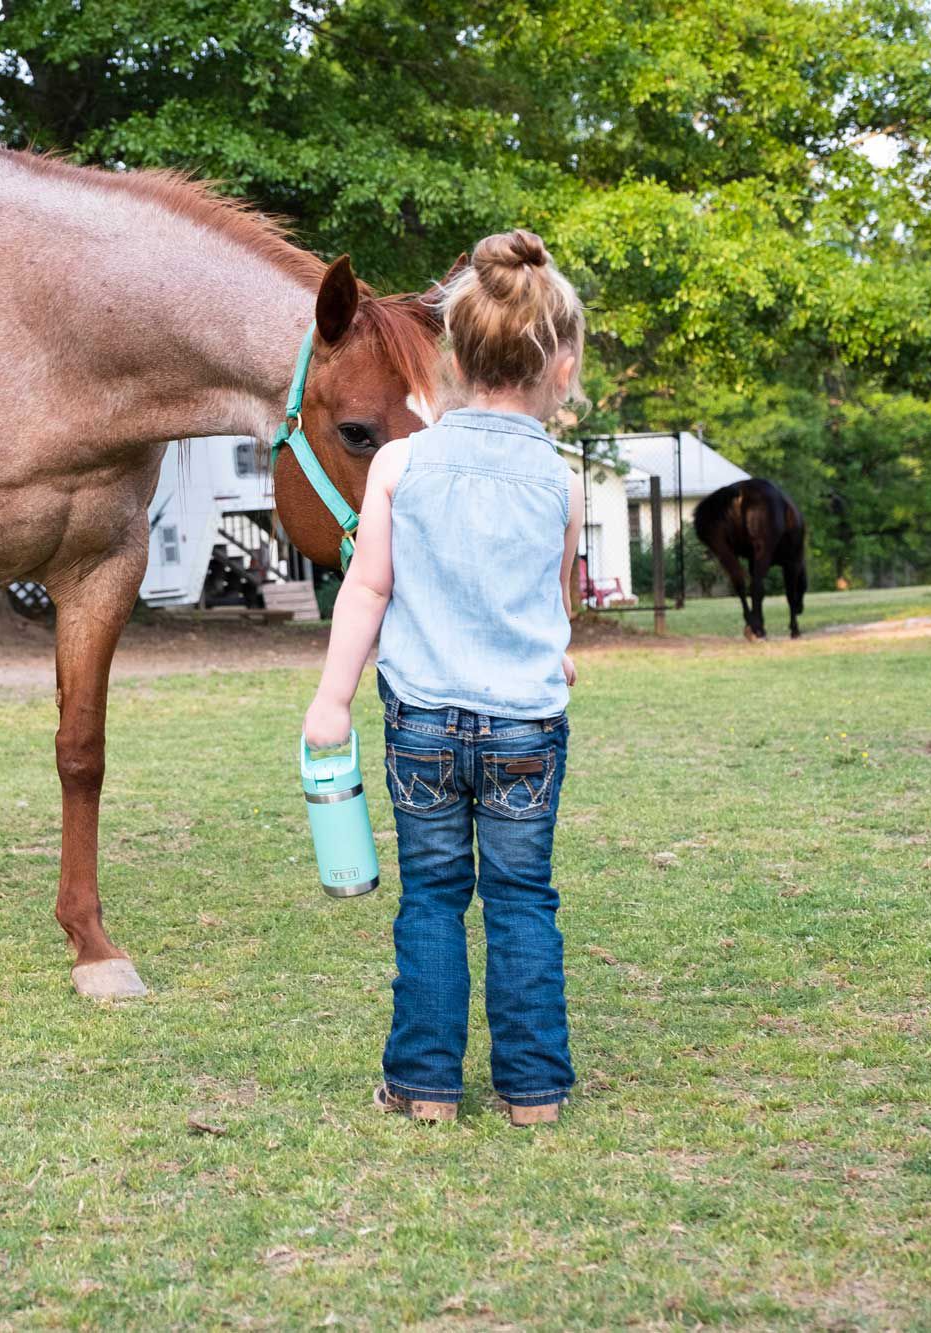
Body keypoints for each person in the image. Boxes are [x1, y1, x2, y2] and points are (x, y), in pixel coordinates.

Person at [302, 228, 585, 1127]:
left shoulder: (398, 462)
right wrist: (555, 648)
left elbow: (369, 588)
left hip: (423, 721)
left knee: (431, 898)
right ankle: (533, 1089)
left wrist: (331, 698)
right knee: (522, 899)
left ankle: (424, 1086)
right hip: (527, 729)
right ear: (563, 367)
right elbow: (555, 592)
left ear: (450, 355)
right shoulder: (561, 479)